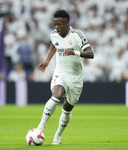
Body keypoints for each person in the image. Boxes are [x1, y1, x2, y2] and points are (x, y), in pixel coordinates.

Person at [36, 10, 94, 145]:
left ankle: (58, 135)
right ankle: (40, 127)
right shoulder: (54, 35)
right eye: (55, 24)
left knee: (67, 109)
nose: (56, 27)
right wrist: (48, 60)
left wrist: (75, 52)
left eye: (59, 25)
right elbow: (54, 44)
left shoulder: (77, 36)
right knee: (56, 95)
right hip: (60, 73)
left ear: (67, 23)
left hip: (76, 78)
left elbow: (90, 53)